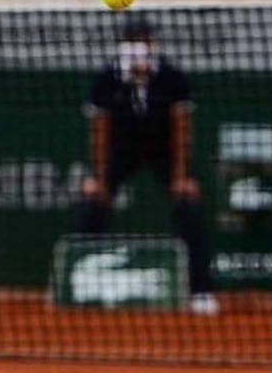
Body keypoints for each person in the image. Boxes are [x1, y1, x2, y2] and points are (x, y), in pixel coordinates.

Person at [73, 18, 218, 317]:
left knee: (187, 204)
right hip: (121, 150)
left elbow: (182, 128)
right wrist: (99, 179)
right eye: (132, 45)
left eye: (145, 44)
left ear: (153, 47)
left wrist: (181, 177)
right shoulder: (107, 79)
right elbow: (101, 130)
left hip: (162, 150)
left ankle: (201, 290)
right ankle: (77, 286)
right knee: (91, 204)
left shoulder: (172, 78)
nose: (139, 52)